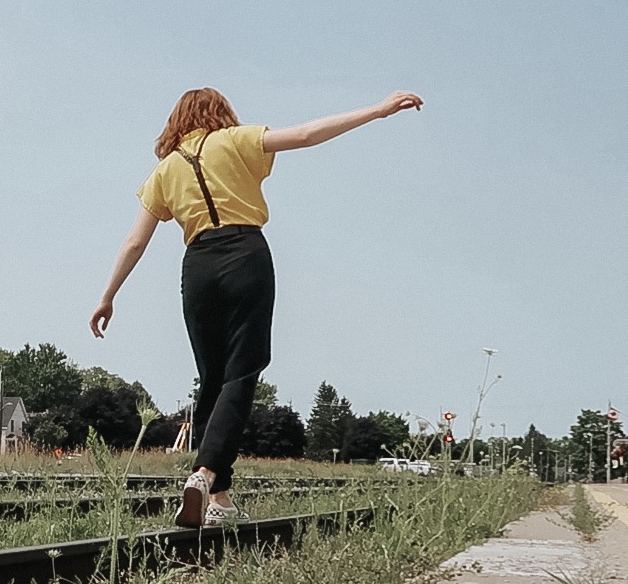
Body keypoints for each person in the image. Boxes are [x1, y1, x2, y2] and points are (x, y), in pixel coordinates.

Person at [90, 87, 423, 527]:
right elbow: (306, 134)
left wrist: (108, 295)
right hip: (245, 255)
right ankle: (204, 472)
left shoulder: (166, 169)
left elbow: (136, 241)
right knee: (242, 371)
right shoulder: (234, 139)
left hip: (198, 266)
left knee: (212, 379)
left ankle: (219, 499)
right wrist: (377, 110)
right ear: (220, 112)